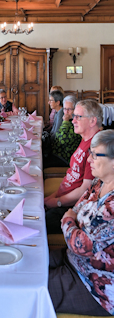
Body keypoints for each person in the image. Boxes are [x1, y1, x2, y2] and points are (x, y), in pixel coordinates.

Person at [48, 130, 114, 318]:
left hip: (96, 288)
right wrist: (72, 221)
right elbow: (76, 217)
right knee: (23, 267)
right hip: (74, 263)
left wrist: (68, 220)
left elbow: (82, 243)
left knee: (29, 295)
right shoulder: (99, 184)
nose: (89, 159)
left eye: (95, 155)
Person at [44, 99, 102, 234]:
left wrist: (57, 202)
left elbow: (85, 189)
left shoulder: (95, 147)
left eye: (78, 117)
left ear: (93, 121)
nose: (73, 120)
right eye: (74, 116)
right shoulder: (85, 139)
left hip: (71, 207)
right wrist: (52, 197)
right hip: (63, 198)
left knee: (35, 224)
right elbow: (71, 176)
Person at [43, 95, 81, 168]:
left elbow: (62, 140)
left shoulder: (76, 123)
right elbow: (57, 135)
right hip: (57, 154)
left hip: (65, 158)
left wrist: (65, 122)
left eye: (69, 109)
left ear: (75, 110)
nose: (66, 112)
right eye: (64, 109)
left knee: (40, 164)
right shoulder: (68, 121)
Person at [42, 90, 64, 162]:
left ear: (58, 102)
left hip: (57, 149)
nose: (49, 102)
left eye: (51, 100)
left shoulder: (61, 114)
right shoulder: (57, 112)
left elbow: (56, 132)